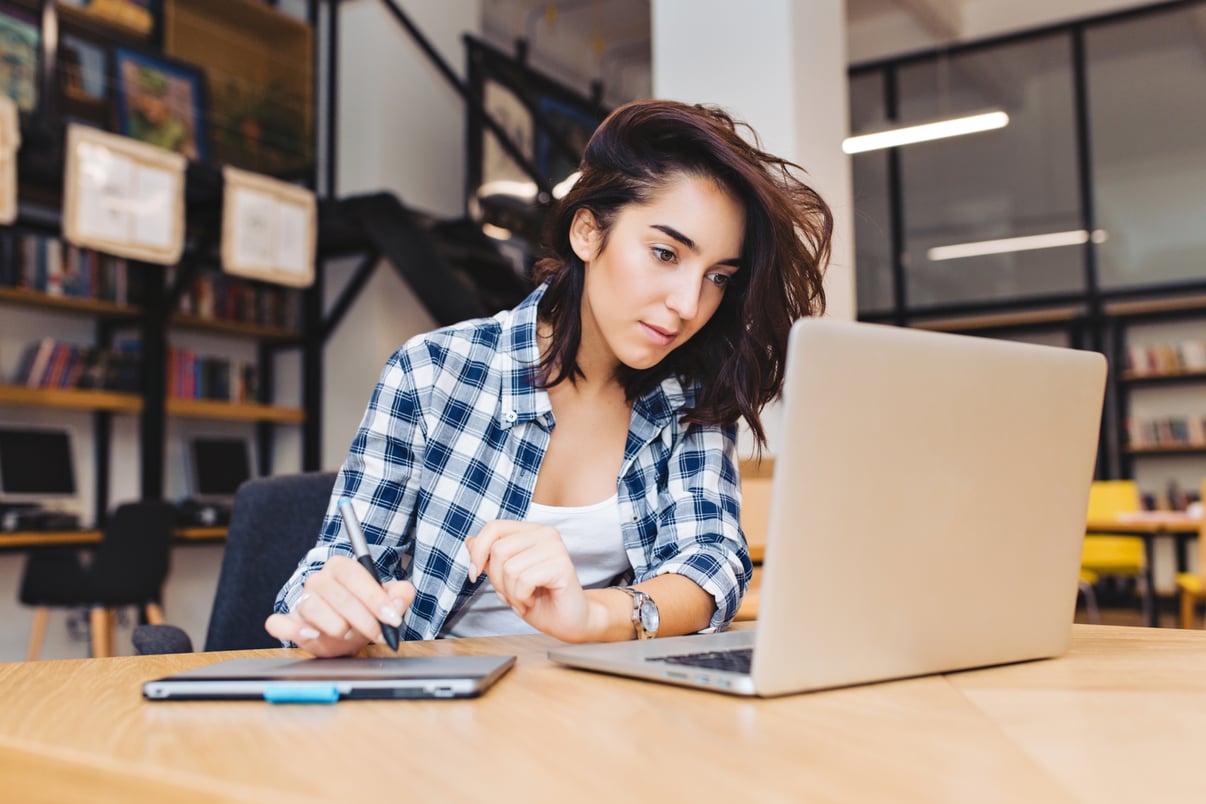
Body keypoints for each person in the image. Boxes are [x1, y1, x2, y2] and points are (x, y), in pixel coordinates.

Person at [267, 98, 832, 656]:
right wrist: (331, 613)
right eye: (665, 253)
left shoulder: (691, 396)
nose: (688, 303)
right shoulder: (432, 373)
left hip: (601, 706)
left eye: (718, 277)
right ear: (587, 233)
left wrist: (594, 615)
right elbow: (331, 565)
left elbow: (710, 563)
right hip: (436, 713)